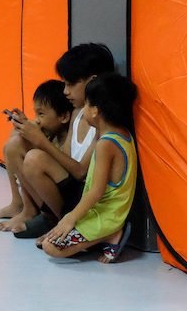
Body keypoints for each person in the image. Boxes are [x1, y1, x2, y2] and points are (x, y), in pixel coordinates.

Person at [0, 43, 115, 236]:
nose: (65, 91)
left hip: (84, 197)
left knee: (34, 158)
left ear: (92, 81)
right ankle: (28, 209)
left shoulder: (102, 121)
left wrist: (41, 141)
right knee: (16, 142)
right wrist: (34, 131)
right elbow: (64, 155)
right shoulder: (77, 113)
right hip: (69, 185)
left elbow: (81, 172)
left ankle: (60, 223)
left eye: (70, 84)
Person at [40, 72, 138, 263]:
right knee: (51, 236)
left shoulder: (105, 144)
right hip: (106, 212)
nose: (83, 109)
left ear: (95, 110)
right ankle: (104, 234)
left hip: (107, 216)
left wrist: (70, 219)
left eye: (86, 104)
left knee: (50, 246)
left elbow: (96, 191)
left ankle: (111, 235)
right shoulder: (122, 134)